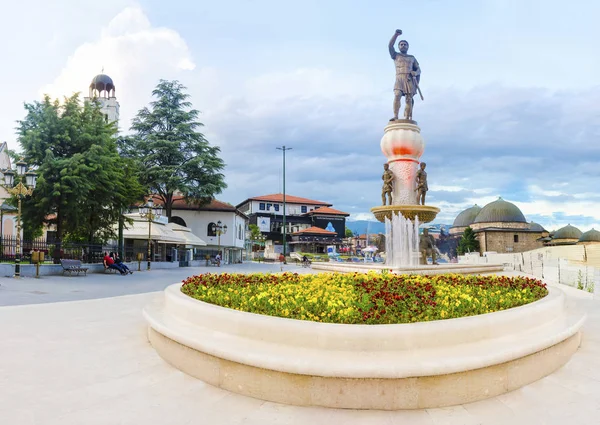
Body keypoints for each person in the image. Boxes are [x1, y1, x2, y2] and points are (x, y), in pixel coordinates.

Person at [388, 29, 421, 121]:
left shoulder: (412, 58)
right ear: (399, 46)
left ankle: (407, 117)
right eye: (401, 44)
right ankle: (395, 116)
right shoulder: (396, 55)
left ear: (408, 47)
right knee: (397, 95)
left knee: (408, 99)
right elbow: (390, 45)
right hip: (399, 77)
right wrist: (396, 35)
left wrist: (415, 72)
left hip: (409, 79)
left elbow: (419, 69)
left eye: (405, 44)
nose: (403, 46)